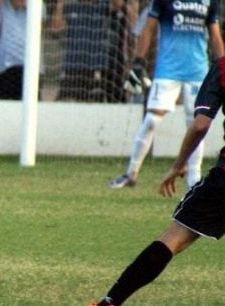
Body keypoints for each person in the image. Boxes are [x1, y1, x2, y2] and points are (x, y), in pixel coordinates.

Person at [92, 57, 225, 306]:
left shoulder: (223, 67)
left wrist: (178, 165)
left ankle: (110, 303)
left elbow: (200, 124)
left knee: (172, 240)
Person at [109, 0, 224, 189]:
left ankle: (193, 180)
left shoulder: (208, 1)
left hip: (197, 71)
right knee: (151, 120)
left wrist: (222, 65)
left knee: (197, 125)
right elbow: (148, 29)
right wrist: (139, 61)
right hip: (167, 70)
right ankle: (131, 173)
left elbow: (214, 35)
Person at [51, 0, 111, 102]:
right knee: (66, 101)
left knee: (95, 102)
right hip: (73, 65)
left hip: (95, 64)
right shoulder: (71, 6)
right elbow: (55, 29)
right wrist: (60, 1)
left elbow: (120, 6)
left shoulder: (103, 5)